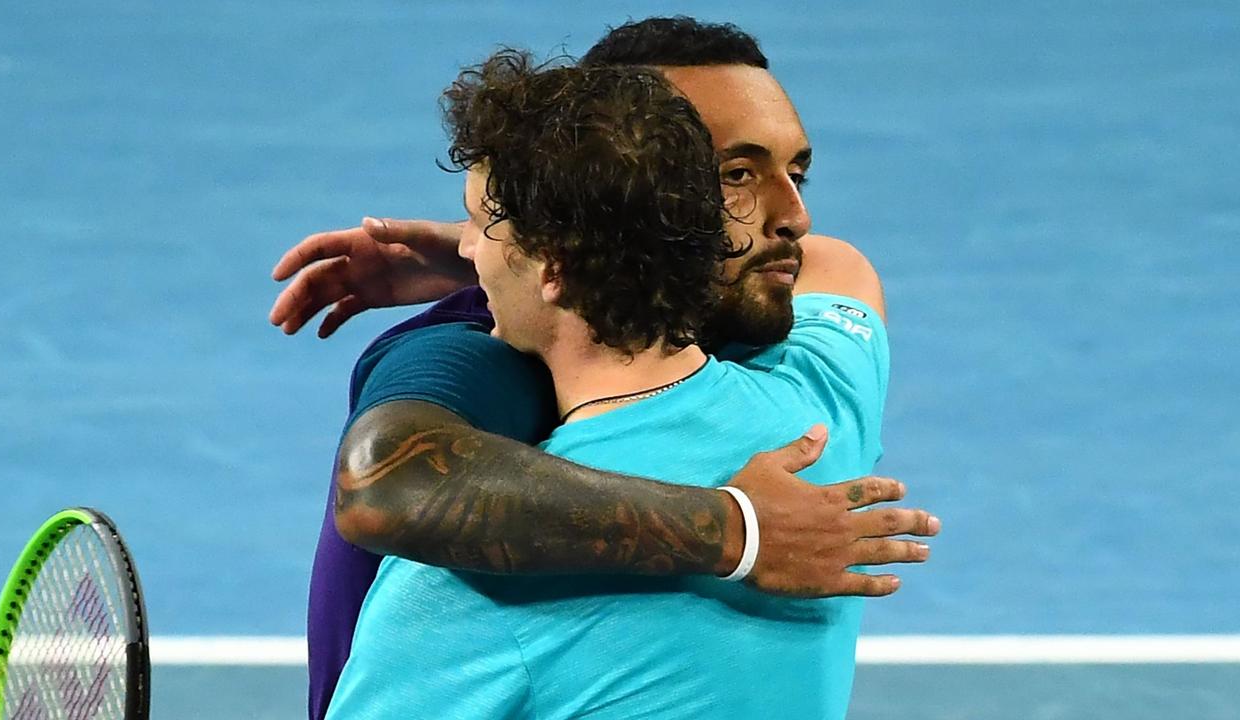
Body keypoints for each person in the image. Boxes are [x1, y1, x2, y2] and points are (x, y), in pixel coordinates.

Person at [274, 18, 940, 720]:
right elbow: (843, 269)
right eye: (737, 176)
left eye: (483, 224)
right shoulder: (825, 405)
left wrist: (526, 250)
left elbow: (397, 484)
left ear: (556, 261)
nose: (794, 217)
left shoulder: (469, 582)